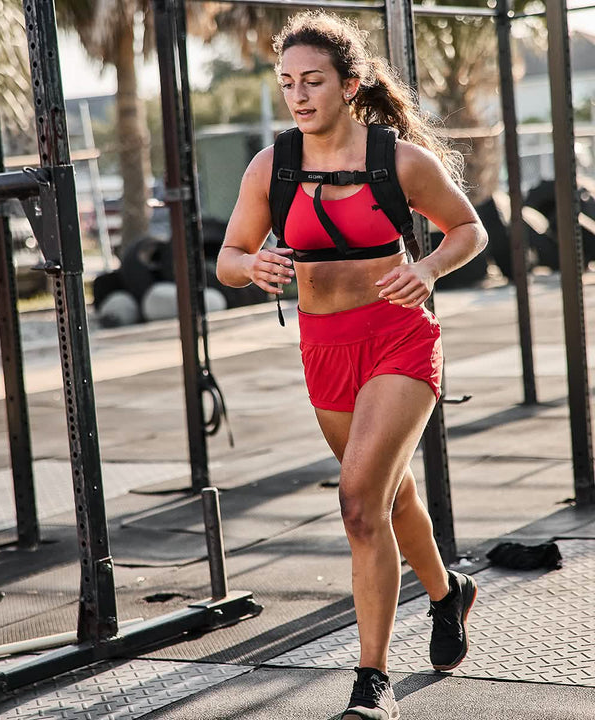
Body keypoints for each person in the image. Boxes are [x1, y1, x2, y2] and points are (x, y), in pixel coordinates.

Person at [216, 11, 488, 720]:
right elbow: (228, 259)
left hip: (399, 338)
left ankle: (371, 680)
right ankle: (447, 592)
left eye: (312, 81)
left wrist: (426, 268)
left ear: (349, 84)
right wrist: (256, 263)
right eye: (287, 84)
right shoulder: (270, 166)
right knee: (389, 500)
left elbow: (469, 229)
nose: (298, 96)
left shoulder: (397, 161)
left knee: (357, 502)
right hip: (324, 347)